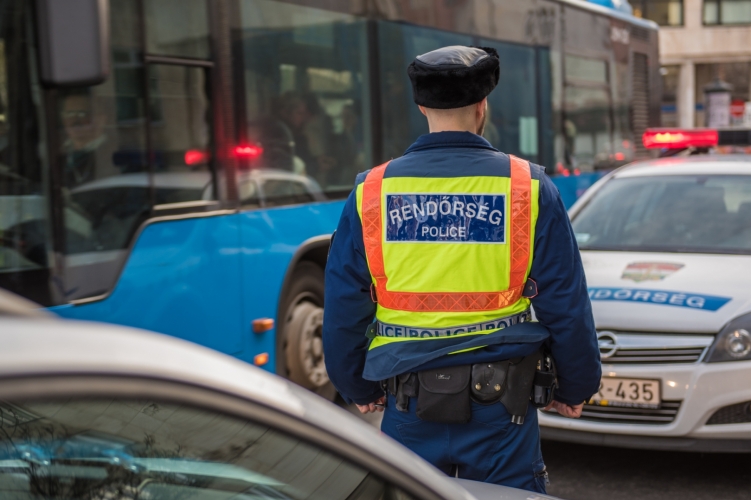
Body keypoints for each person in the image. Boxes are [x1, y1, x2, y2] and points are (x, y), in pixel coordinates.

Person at [322, 45, 600, 494]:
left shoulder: (371, 191)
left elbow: (342, 303)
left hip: (407, 405)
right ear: (482, 105)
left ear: (421, 106)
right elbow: (565, 302)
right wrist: (576, 386)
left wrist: (354, 384)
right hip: (502, 411)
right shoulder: (527, 187)